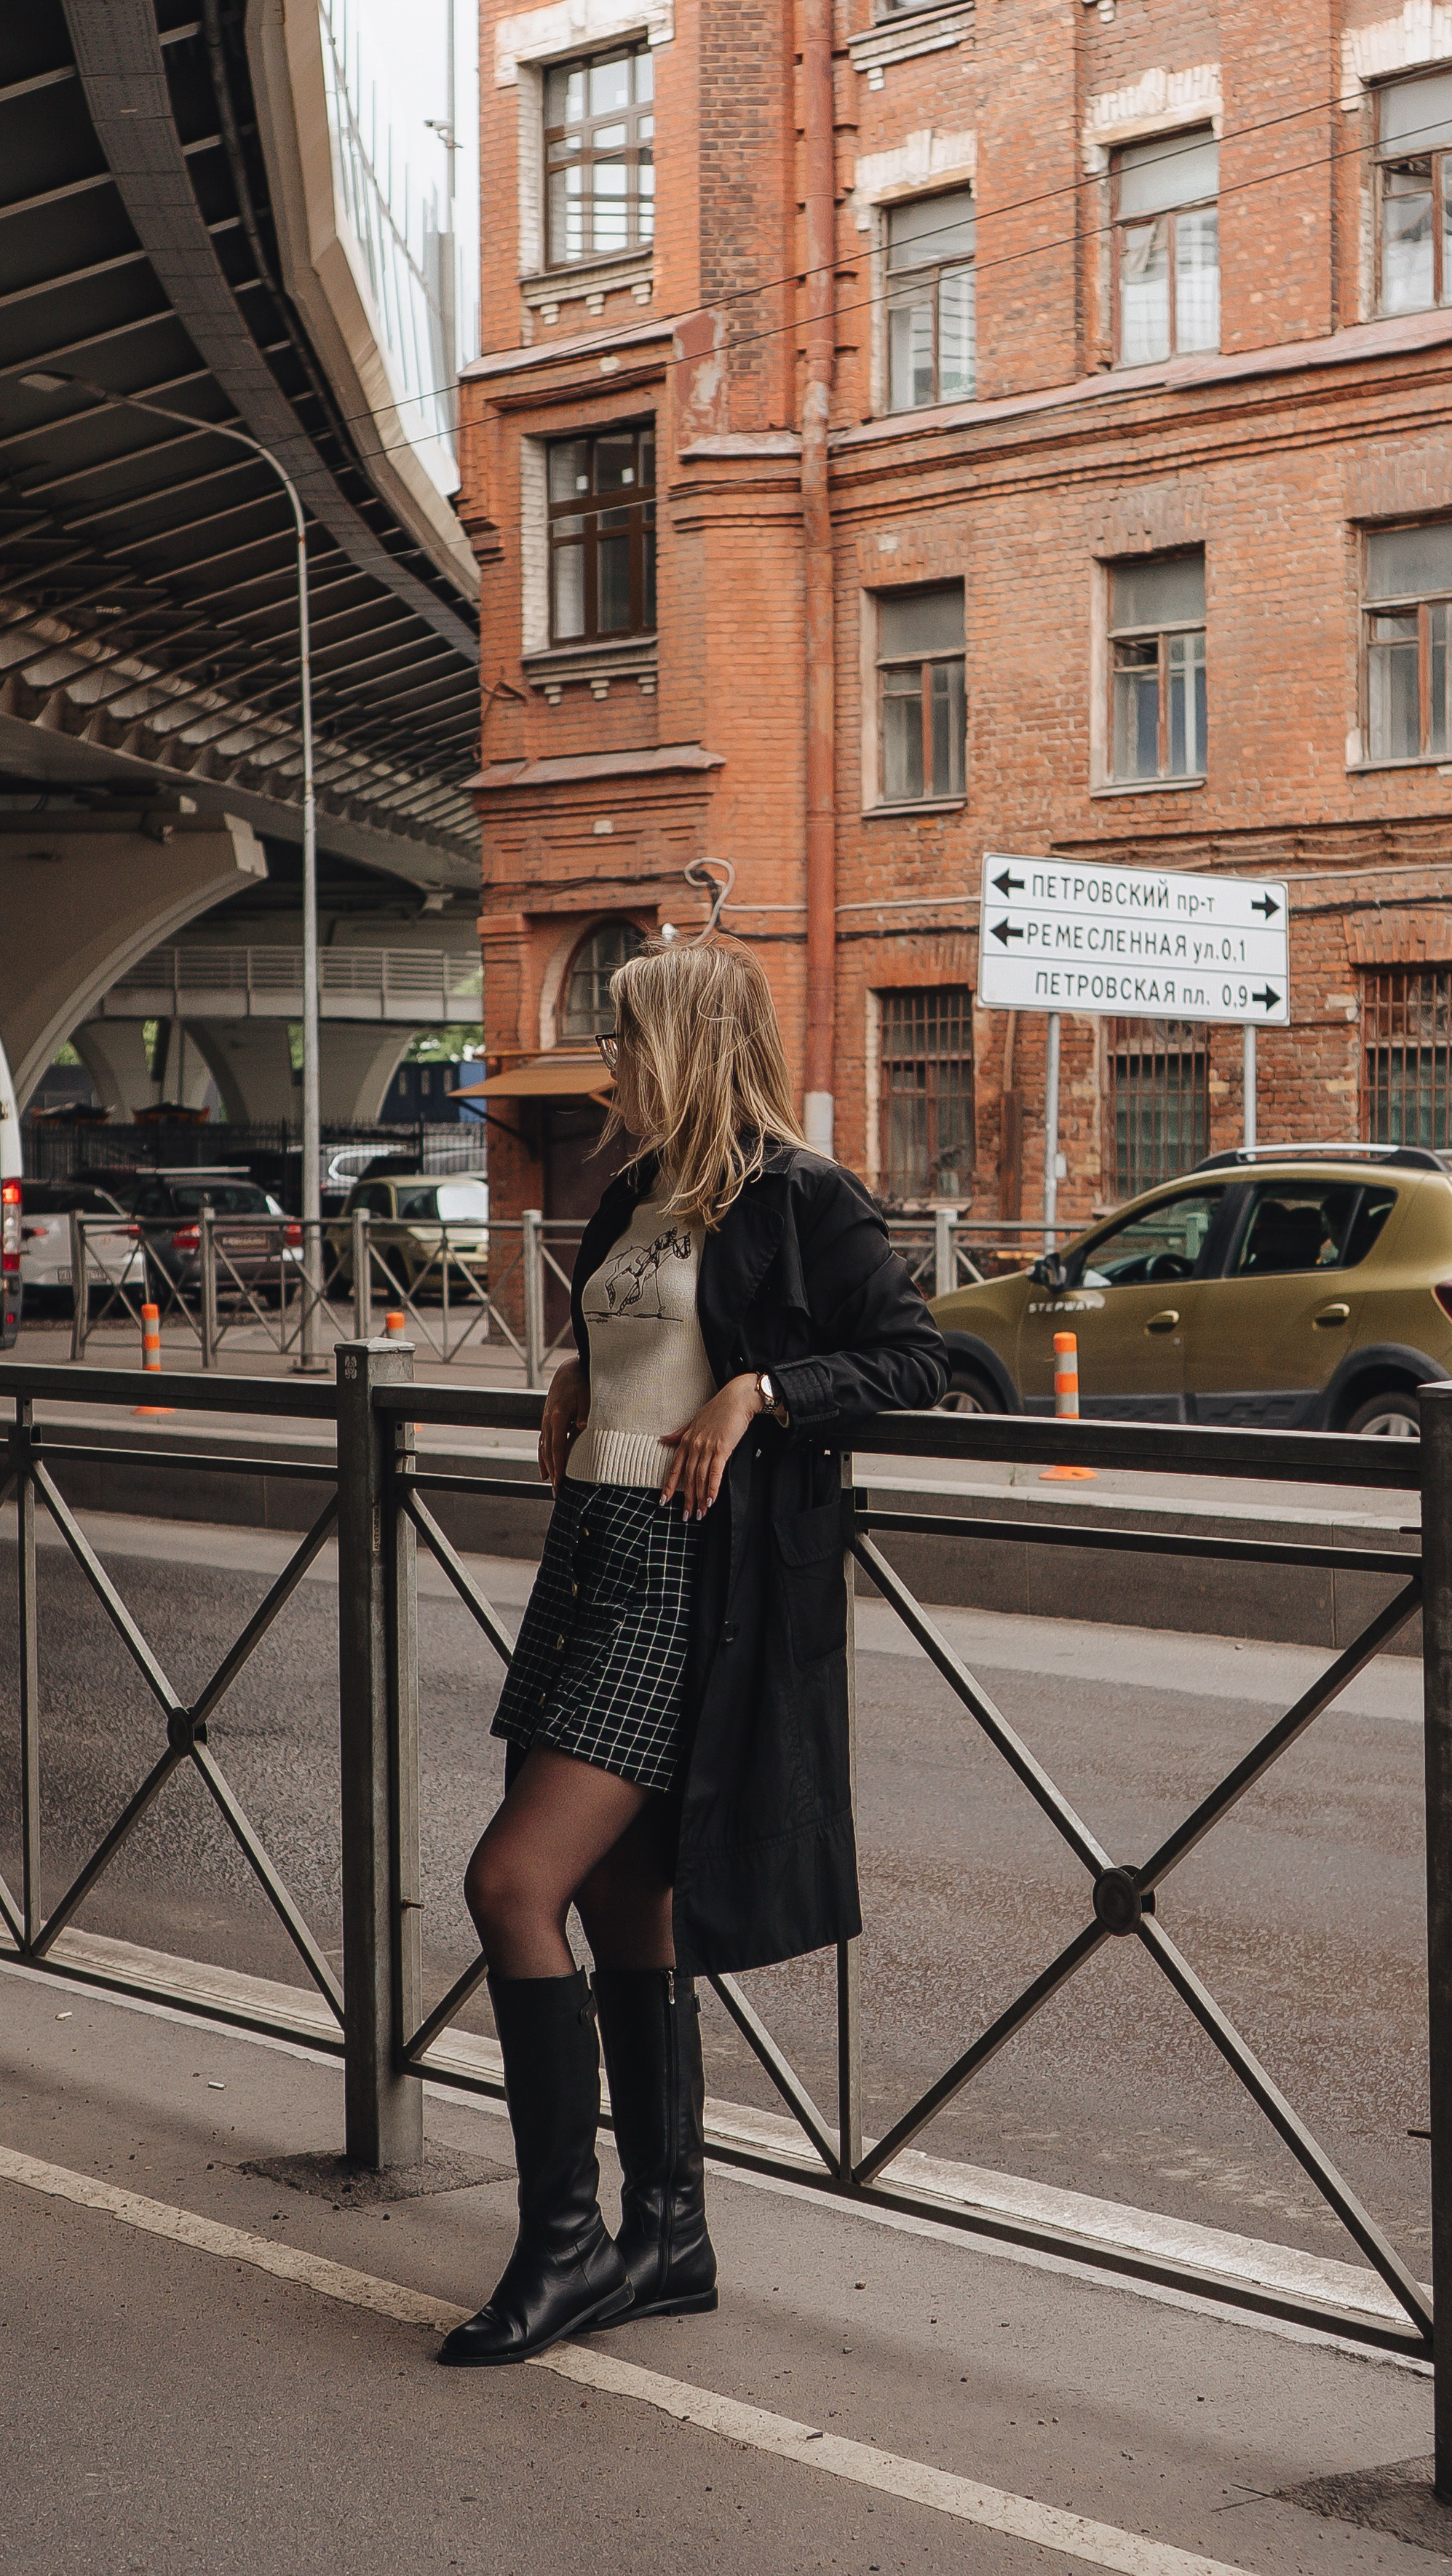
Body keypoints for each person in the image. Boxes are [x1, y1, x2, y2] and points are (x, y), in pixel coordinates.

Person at [437, 939, 948, 2367]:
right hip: (591, 1551)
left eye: (630, 1038)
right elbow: (629, 1339)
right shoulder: (636, 1193)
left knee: (511, 1879)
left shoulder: (797, 1194)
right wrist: (567, 1372)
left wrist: (763, 1388)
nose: (613, 1064)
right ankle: (666, 2236)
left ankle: (562, 2249)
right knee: (614, 1900)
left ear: (694, 1043)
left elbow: (918, 1357)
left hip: (681, 1573)